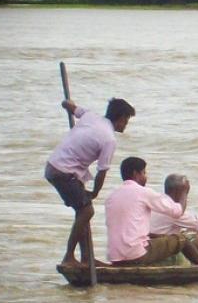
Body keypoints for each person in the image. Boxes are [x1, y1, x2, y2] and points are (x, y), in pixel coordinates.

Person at [45, 97, 135, 267]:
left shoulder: (91, 116)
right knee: (87, 211)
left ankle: (87, 258)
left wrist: (66, 104)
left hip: (54, 167)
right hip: (63, 172)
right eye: (127, 120)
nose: (126, 125)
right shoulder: (109, 139)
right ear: (121, 117)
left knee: (82, 209)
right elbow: (102, 171)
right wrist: (95, 192)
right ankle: (69, 256)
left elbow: (72, 107)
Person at [105, 157, 198, 266]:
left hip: (114, 258)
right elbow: (177, 211)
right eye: (144, 173)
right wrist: (184, 192)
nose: (145, 177)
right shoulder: (143, 192)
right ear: (135, 174)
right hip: (136, 255)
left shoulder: (111, 197)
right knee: (182, 240)